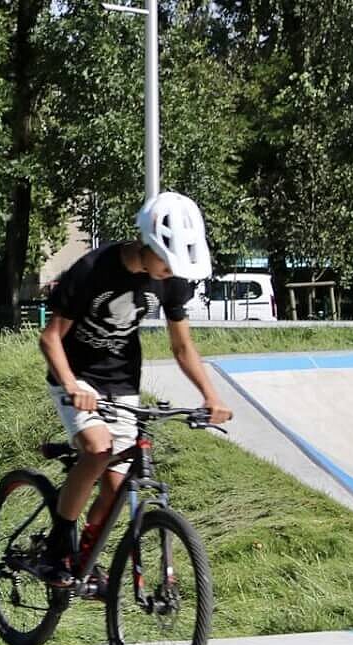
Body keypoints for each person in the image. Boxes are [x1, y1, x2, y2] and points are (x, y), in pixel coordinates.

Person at [34, 191, 235, 585]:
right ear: (145, 243)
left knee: (114, 487)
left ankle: (84, 560)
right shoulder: (93, 268)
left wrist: (211, 396)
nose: (168, 270)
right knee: (97, 449)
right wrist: (73, 385)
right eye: (164, 258)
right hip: (75, 374)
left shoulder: (171, 281)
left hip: (122, 381)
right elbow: (50, 338)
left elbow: (182, 347)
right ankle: (57, 549)